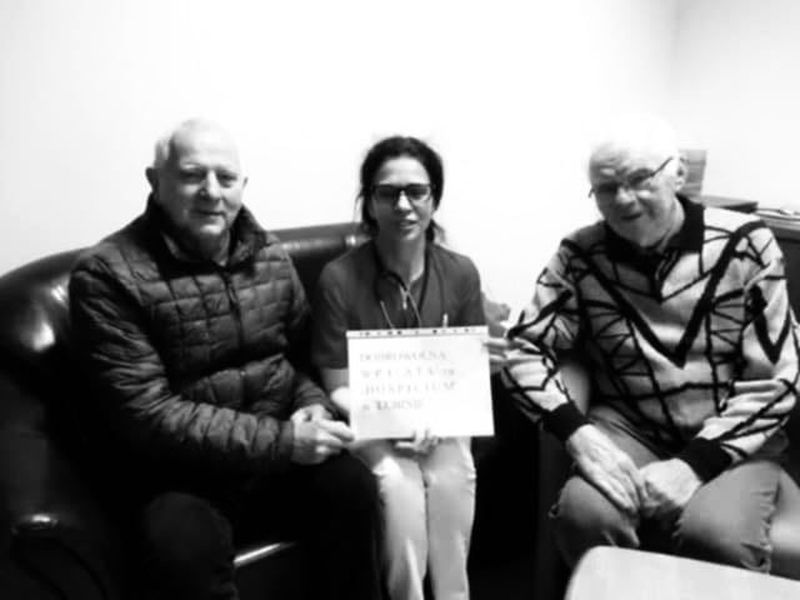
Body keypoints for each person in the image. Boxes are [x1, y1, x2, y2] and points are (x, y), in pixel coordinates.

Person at [69, 118, 383, 600]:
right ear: (155, 181)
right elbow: (147, 414)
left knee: (354, 486)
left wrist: (313, 406)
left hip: (279, 456)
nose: (212, 192)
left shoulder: (270, 255)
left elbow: (300, 357)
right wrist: (284, 441)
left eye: (226, 178)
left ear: (243, 186)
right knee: (179, 545)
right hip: (181, 474)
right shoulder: (107, 275)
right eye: (192, 175)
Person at [499, 115, 800, 573]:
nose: (623, 198)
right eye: (606, 187)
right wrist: (576, 433)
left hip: (732, 433)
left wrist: (694, 465)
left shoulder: (747, 244)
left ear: (677, 174)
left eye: (640, 179)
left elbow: (779, 377)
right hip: (630, 427)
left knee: (715, 537)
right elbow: (523, 347)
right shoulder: (579, 255)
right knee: (586, 515)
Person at [311, 136, 485, 600]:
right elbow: (336, 385)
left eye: (416, 192)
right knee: (398, 487)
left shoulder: (461, 273)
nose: (403, 205)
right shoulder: (338, 278)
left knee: (454, 476)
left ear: (434, 198)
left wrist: (437, 420)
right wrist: (394, 421)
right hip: (371, 419)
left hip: (442, 419)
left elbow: (468, 376)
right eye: (388, 193)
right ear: (370, 202)